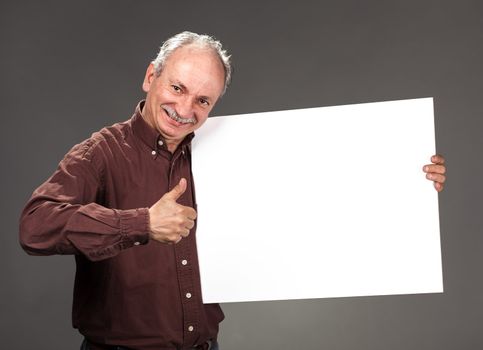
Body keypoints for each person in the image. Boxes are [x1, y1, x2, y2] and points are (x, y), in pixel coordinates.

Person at [18, 31, 446, 350]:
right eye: (177, 88)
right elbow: (35, 226)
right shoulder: (102, 152)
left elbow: (321, 192)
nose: (185, 110)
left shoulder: (227, 154)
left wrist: (408, 180)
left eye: (204, 100)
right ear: (151, 77)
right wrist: (141, 222)